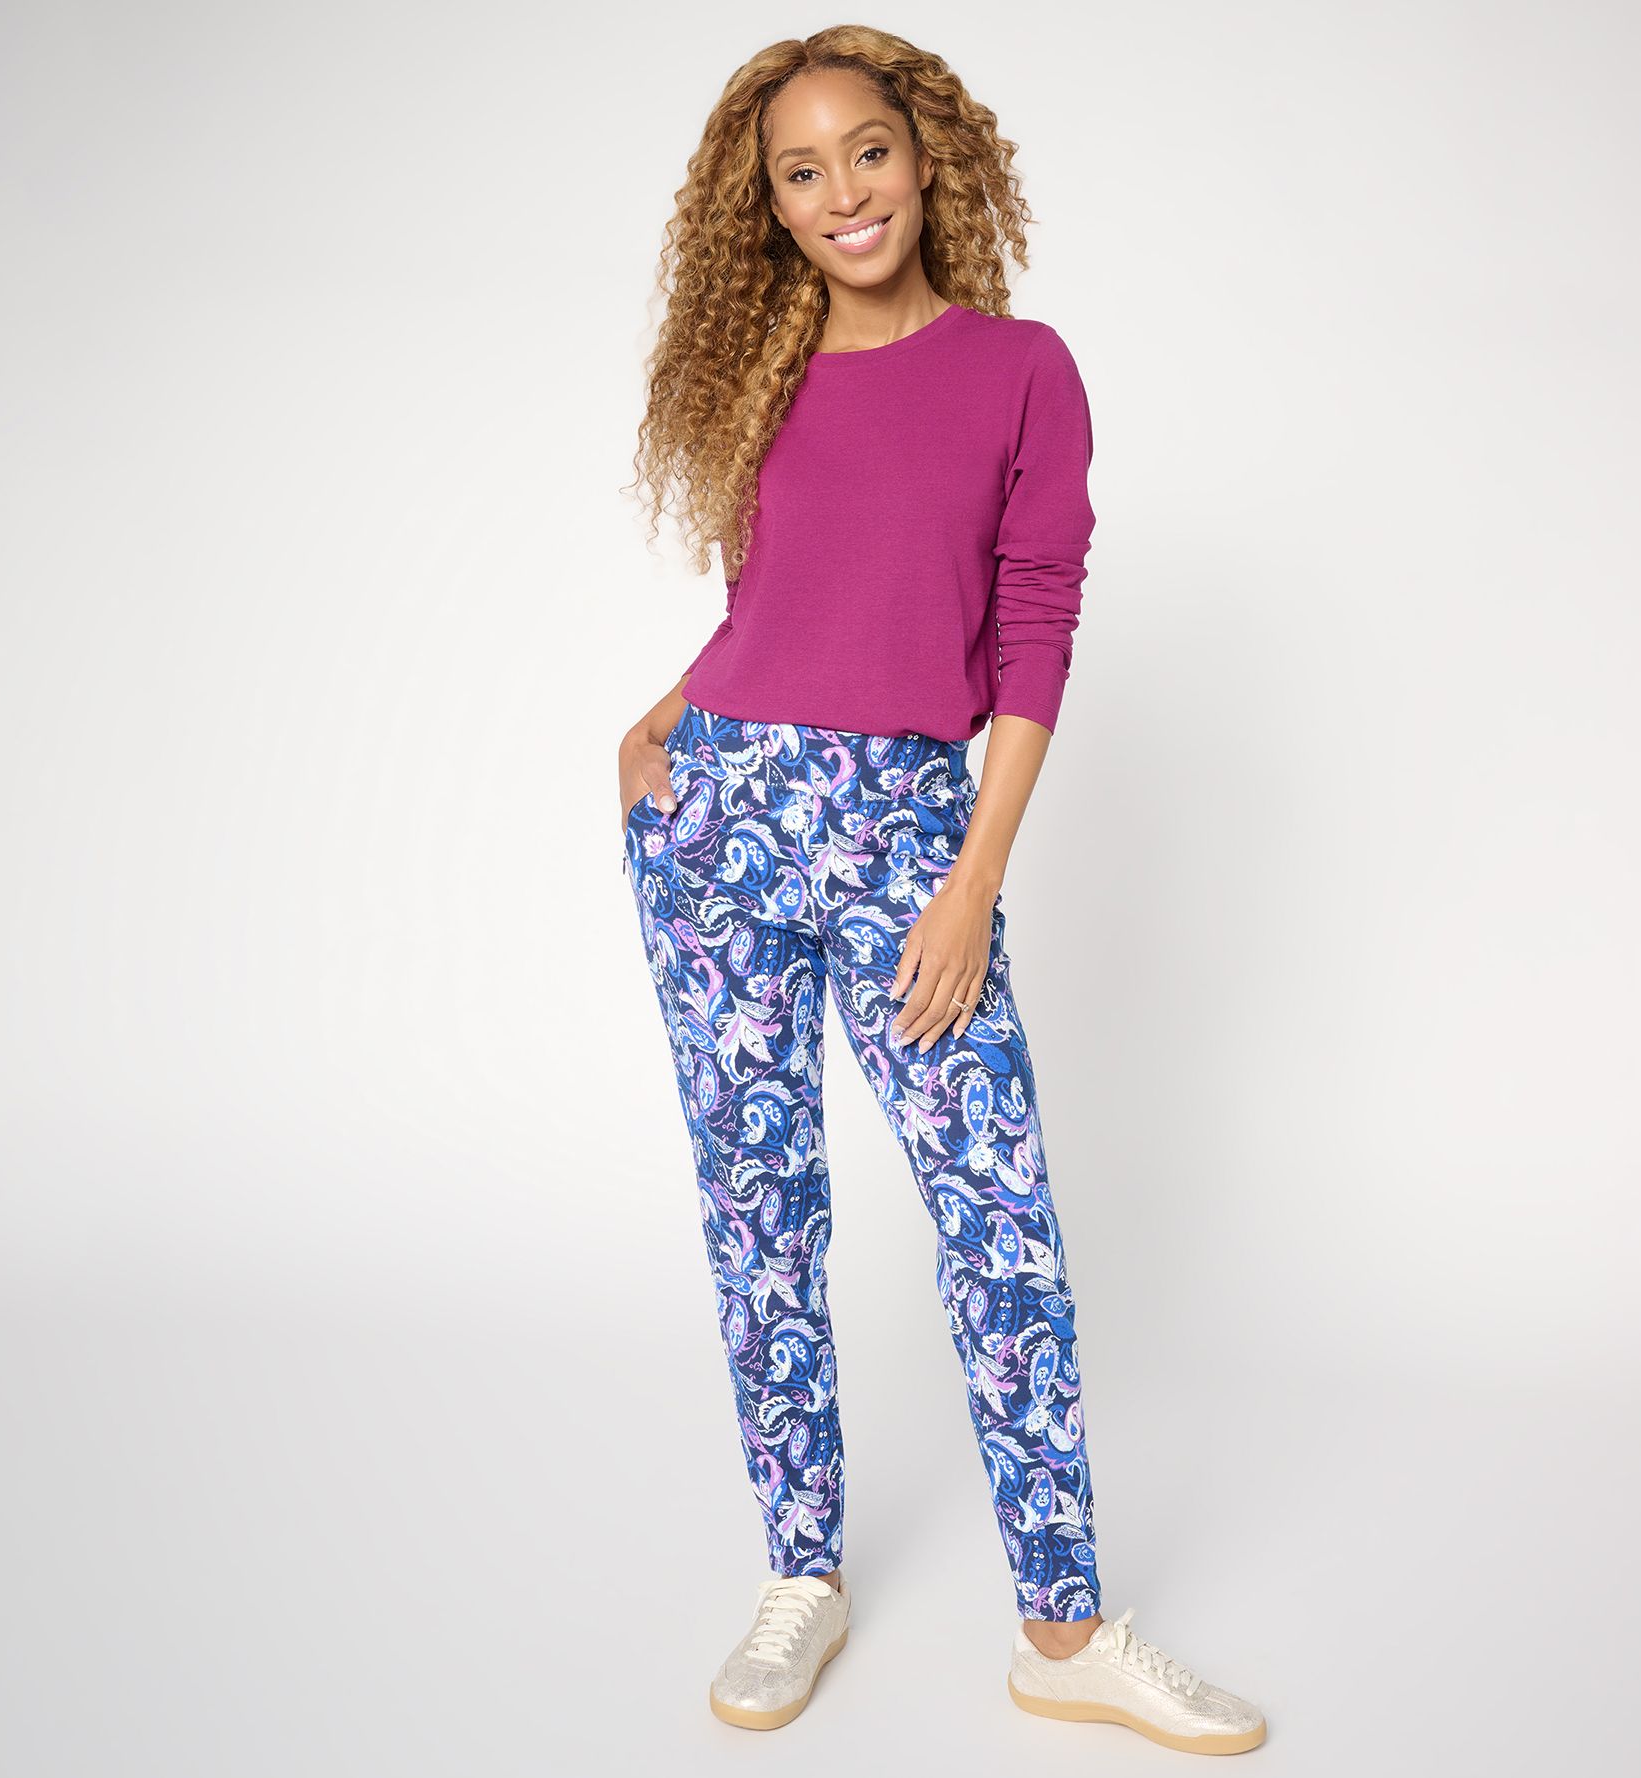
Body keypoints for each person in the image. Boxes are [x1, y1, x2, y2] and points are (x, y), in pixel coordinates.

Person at [617, 25, 1267, 1757]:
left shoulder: (1021, 370)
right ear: (767, 208)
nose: (843, 192)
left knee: (998, 1219)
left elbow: (1032, 625)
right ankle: (801, 1571)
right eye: (802, 171)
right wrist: (664, 716)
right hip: (719, 821)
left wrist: (974, 872)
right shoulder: (758, 375)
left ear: (927, 158)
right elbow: (786, 605)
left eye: (868, 151)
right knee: (759, 1210)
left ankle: (1063, 1627)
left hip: (913, 827)